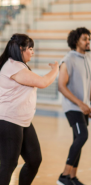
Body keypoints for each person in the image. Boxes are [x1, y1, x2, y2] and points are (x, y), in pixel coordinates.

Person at [0, 33, 59, 185]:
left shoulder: (19, 66)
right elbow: (42, 82)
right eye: (30, 48)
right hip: (7, 120)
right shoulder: (12, 66)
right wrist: (56, 69)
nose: (32, 52)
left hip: (22, 121)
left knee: (34, 160)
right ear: (21, 49)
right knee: (8, 165)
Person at [57, 27, 91, 185]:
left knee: (79, 138)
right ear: (76, 40)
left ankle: (72, 177)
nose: (88, 41)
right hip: (73, 107)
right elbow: (62, 86)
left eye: (89, 39)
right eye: (85, 38)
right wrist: (81, 104)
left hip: (84, 107)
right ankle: (64, 176)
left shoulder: (88, 58)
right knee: (83, 136)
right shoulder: (68, 59)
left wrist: (88, 105)